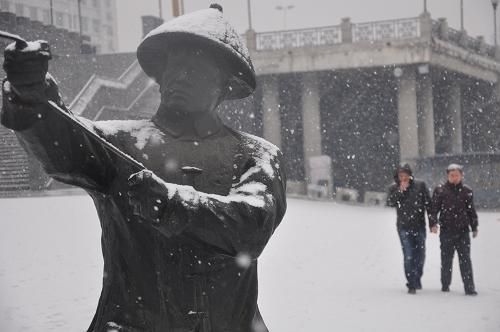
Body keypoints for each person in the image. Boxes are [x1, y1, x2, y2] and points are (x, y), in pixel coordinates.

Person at [1, 4, 287, 331]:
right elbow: (60, 144)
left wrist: (172, 204)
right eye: (173, 67)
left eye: (195, 69)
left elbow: (251, 225)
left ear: (224, 86)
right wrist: (31, 92)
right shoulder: (118, 142)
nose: (179, 76)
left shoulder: (256, 154)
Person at [430, 164, 478, 296]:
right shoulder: (440, 190)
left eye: (457, 175)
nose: (454, 178)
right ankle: (445, 284)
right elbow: (434, 209)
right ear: (448, 176)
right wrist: (433, 223)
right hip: (446, 231)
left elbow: (471, 211)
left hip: (463, 231)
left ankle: (469, 287)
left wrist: (474, 226)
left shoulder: (467, 191)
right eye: (452, 175)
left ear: (461, 175)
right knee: (446, 259)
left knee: (465, 260)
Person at [387, 163, 432, 294]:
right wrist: (400, 191)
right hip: (403, 227)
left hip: (419, 226)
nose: (403, 178)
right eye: (401, 176)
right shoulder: (393, 188)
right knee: (408, 255)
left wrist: (432, 223)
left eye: (405, 175)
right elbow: (390, 202)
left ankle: (417, 277)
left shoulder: (420, 186)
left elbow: (428, 204)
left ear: (410, 175)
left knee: (420, 255)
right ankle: (411, 283)